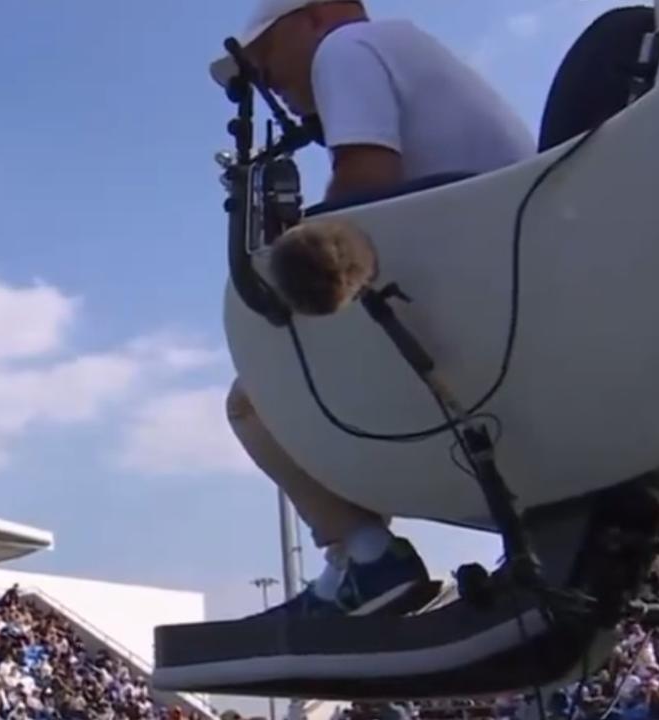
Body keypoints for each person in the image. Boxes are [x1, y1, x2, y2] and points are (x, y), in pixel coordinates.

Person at [210, 0, 536, 617]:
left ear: (317, 16)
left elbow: (366, 182)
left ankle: (363, 557)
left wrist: (290, 249)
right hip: (506, 297)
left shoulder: (348, 48)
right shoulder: (409, 51)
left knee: (252, 400)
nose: (269, 82)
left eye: (267, 59)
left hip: (480, 325)